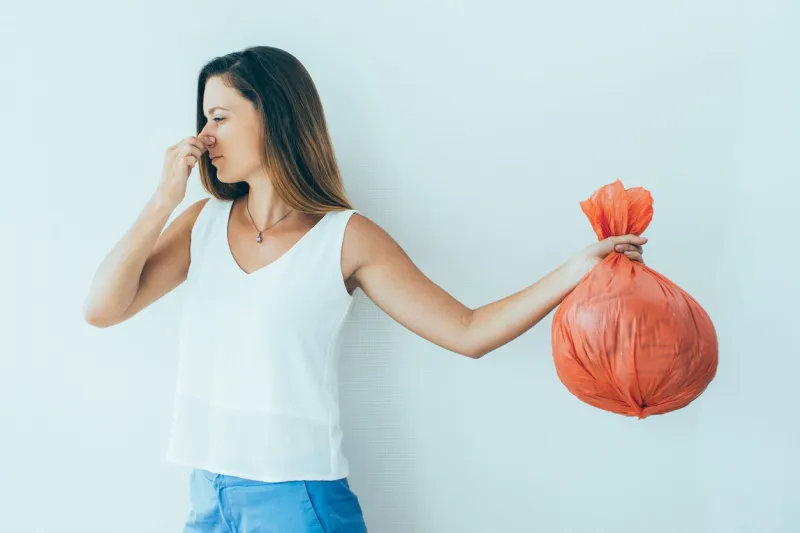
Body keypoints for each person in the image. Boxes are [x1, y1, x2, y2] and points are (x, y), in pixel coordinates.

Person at [83, 45, 646, 532]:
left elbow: (468, 331)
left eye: (220, 116)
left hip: (297, 500)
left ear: (274, 115)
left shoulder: (346, 238)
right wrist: (163, 200)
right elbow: (102, 309)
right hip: (207, 495)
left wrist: (577, 269)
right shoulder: (201, 223)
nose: (203, 137)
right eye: (204, 118)